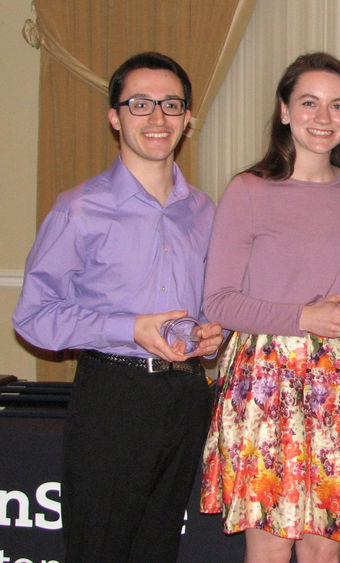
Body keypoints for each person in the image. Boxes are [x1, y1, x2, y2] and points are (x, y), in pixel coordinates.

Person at [12, 51, 224, 561]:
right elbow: (33, 316)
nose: (157, 118)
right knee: (100, 548)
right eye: (140, 104)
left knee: (157, 549)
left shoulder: (204, 210)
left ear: (188, 118)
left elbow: (205, 305)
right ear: (115, 117)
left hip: (187, 396)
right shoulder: (79, 208)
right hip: (114, 396)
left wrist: (209, 335)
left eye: (171, 105)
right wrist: (129, 328)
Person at [199, 52, 340, 563]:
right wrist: (306, 318)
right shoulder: (249, 191)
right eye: (309, 103)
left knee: (323, 553)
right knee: (269, 550)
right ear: (284, 110)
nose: (323, 118)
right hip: (266, 382)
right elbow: (218, 301)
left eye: (337, 106)